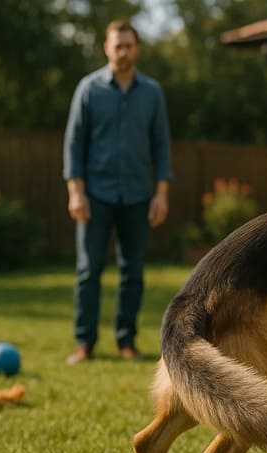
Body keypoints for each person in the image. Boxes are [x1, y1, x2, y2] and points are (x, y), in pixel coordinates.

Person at [63, 20, 172, 364]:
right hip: (95, 195)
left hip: (138, 196)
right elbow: (74, 144)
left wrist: (161, 193)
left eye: (128, 45)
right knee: (88, 270)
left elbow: (161, 146)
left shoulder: (151, 92)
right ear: (106, 48)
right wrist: (75, 192)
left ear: (136, 49)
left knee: (133, 272)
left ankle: (127, 342)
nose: (123, 52)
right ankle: (85, 343)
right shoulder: (89, 89)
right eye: (117, 46)